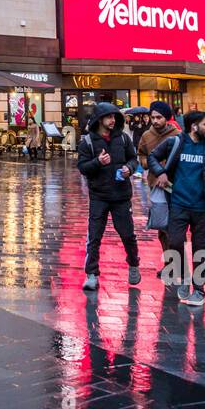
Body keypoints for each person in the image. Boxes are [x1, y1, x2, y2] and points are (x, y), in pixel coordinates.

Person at [148, 110, 205, 307]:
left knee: (202, 248)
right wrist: (160, 173)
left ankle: (199, 289)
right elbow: (152, 156)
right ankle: (183, 276)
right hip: (178, 203)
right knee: (175, 241)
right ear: (194, 126)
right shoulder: (176, 142)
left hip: (203, 207)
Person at [76, 102, 142, 292]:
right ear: (99, 119)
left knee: (128, 234)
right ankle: (91, 274)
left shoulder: (122, 138)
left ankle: (133, 263)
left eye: (114, 117)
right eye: (109, 117)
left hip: (121, 195)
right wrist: (97, 162)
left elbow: (133, 158)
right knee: (94, 236)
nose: (113, 120)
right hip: (99, 195)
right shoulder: (87, 142)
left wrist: (129, 169)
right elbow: (82, 167)